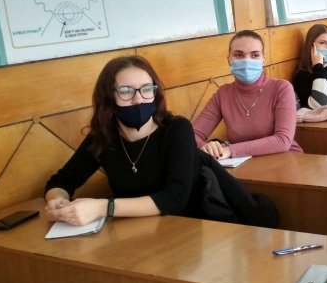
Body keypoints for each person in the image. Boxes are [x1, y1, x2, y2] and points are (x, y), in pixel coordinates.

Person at [43, 56, 272, 226]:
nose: (138, 100)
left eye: (146, 89)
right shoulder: (103, 136)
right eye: (126, 91)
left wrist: (103, 207)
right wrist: (58, 201)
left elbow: (174, 200)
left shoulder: (176, 129)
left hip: (192, 229)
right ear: (108, 97)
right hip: (139, 232)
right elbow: (62, 181)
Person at [192, 30, 301, 160]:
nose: (246, 61)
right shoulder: (223, 94)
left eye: (255, 55)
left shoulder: (281, 88)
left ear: (263, 60)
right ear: (229, 60)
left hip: (286, 160)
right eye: (239, 55)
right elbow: (192, 135)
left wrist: (230, 150)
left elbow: (283, 140)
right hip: (243, 165)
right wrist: (208, 149)